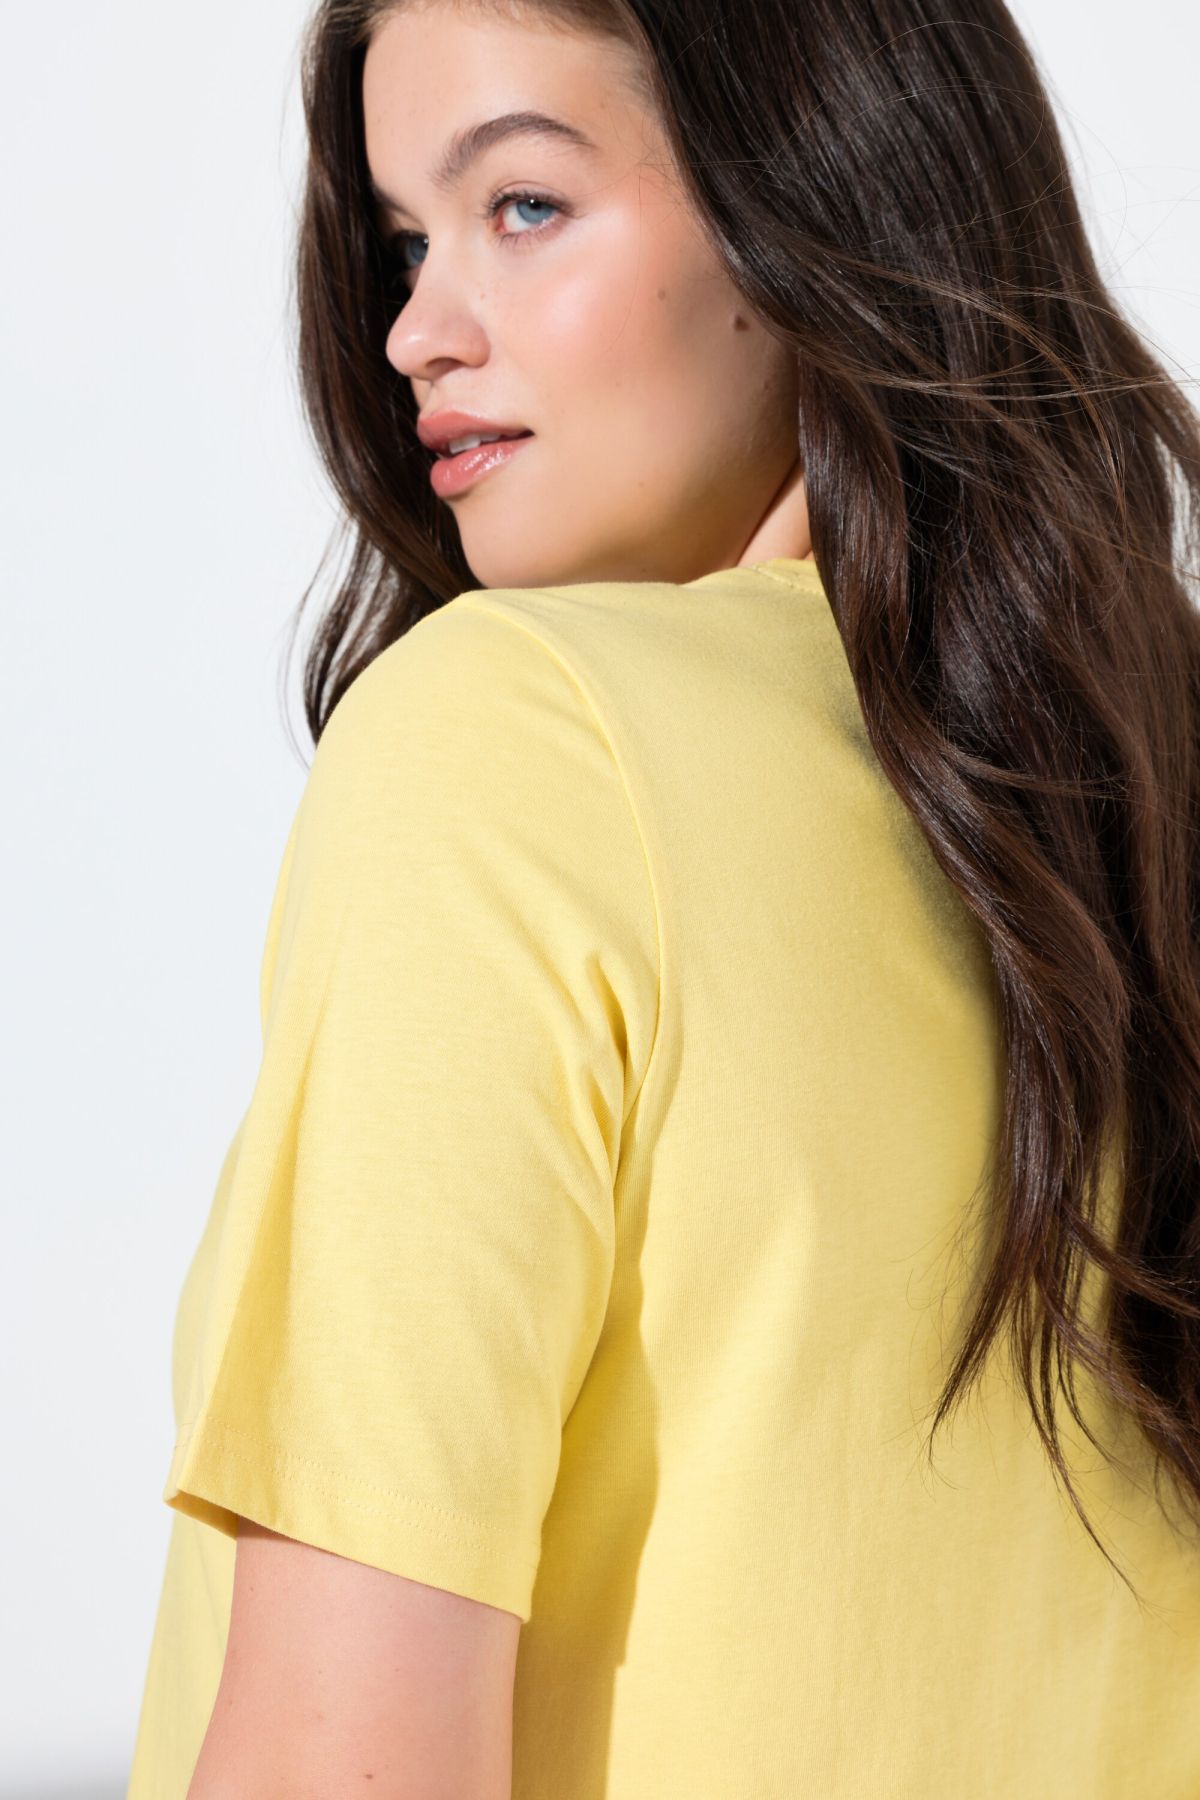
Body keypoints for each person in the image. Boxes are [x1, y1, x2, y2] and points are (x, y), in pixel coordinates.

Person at [128, 0, 1200, 1793]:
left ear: (815, 204)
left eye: (524, 206)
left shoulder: (518, 744)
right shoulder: (1142, 823)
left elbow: (351, 1756)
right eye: (402, 243)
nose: (415, 329)